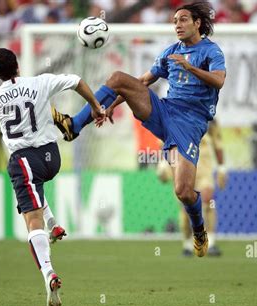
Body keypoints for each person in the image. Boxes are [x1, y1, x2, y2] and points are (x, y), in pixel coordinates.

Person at [53, 1, 226, 257]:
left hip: (190, 124)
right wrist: (110, 105)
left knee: (184, 192)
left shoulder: (211, 52)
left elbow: (219, 81)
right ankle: (74, 125)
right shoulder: (171, 52)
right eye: (175, 21)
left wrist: (190, 67)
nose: (177, 25)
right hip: (165, 111)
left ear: (198, 23)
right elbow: (143, 81)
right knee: (119, 79)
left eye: (183, 20)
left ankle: (199, 231)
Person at [0, 48, 103, 306]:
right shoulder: (40, 82)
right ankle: (54, 223)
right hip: (51, 157)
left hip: (23, 160)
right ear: (18, 64)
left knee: (31, 221)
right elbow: (76, 81)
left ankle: (49, 274)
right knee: (35, 191)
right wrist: (96, 106)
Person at [157, 120, 227, 256]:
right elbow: (165, 142)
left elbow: (217, 143)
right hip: (182, 167)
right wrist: (163, 165)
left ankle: (211, 242)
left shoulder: (209, 116)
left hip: (204, 166)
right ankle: (188, 244)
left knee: (208, 201)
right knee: (185, 208)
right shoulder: (172, 114)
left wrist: (221, 168)